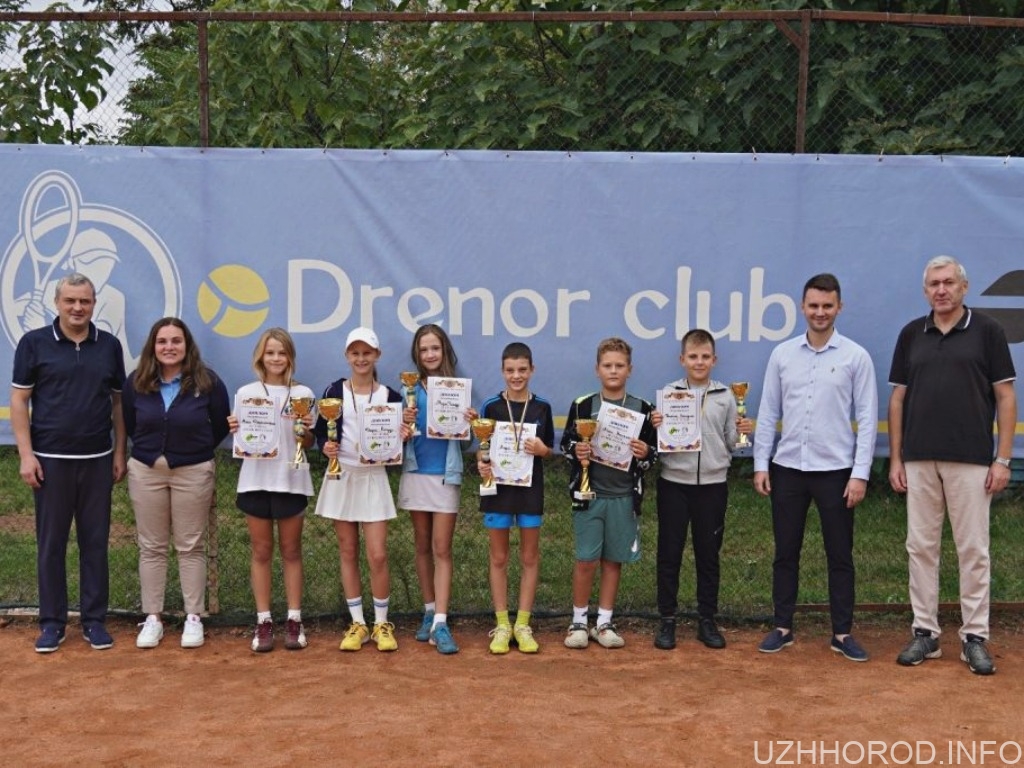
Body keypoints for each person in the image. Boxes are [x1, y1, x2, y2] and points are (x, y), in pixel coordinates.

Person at [888, 256, 1017, 676]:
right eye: (933, 284)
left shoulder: (988, 332)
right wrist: (895, 457)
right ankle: (925, 633)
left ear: (964, 287)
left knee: (973, 550)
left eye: (948, 283)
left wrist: (1002, 458)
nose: (940, 290)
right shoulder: (912, 334)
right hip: (920, 458)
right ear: (925, 291)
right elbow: (897, 400)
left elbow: (1005, 396)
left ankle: (974, 637)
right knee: (920, 547)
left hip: (972, 459)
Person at [752, 273, 877, 662]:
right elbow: (768, 410)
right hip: (788, 467)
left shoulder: (856, 357)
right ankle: (783, 627)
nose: (820, 312)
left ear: (839, 307)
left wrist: (859, 474)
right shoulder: (782, 355)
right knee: (785, 552)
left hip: (836, 472)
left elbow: (868, 419)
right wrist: (761, 463)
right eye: (813, 305)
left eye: (827, 306)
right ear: (802, 307)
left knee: (840, 555)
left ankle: (842, 633)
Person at [12, 272, 127, 653]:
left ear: (94, 304)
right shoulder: (33, 344)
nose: (78, 308)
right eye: (70, 301)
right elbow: (19, 401)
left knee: (95, 543)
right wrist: (27, 455)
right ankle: (52, 623)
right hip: (51, 461)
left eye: (85, 301)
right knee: (51, 545)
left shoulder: (109, 346)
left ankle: (94, 621)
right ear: (57, 303)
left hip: (97, 461)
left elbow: (117, 403)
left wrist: (119, 451)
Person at [122, 317, 230, 650]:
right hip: (147, 470)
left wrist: (194, 451)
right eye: (162, 341)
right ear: (153, 346)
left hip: (193, 471)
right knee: (151, 546)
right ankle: (152, 618)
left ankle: (193, 618)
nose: (169, 347)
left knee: (190, 545)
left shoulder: (208, 381)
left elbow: (220, 425)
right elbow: (130, 422)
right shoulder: (136, 382)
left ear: (187, 346)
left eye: (176, 341)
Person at [650, 329, 752, 651]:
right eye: (693, 356)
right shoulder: (668, 395)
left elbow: (732, 444)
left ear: (714, 360)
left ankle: (706, 619)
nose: (699, 362)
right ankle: (667, 620)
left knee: (708, 556)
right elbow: (658, 446)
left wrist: (743, 431)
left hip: (712, 485)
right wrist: (656, 427)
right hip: (673, 484)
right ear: (682, 360)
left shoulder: (725, 396)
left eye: (705, 356)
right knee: (670, 554)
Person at [314, 327, 408, 653]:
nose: (361, 358)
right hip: (341, 475)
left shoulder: (392, 397)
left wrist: (403, 435)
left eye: (367, 352)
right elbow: (319, 434)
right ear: (347, 356)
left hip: (374, 478)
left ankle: (382, 623)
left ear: (377, 355)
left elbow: (397, 440)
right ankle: (358, 623)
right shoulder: (333, 390)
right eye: (355, 353)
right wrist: (325, 447)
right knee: (348, 551)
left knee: (378, 554)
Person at [561, 337, 657, 649]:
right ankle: (578, 621)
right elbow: (566, 445)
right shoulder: (583, 405)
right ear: (597, 369)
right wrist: (578, 449)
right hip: (589, 494)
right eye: (607, 366)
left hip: (623, 496)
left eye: (619, 365)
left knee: (613, 560)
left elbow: (653, 455)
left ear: (630, 369)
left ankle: (603, 622)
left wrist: (644, 453)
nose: (613, 371)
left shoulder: (643, 409)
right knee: (586, 559)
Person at [228, 328, 316, 653]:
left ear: (290, 357)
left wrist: (305, 429)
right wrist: (236, 428)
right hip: (255, 480)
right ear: (260, 357)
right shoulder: (246, 393)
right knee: (261, 552)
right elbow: (239, 437)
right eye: (270, 353)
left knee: (291, 551)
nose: (276, 358)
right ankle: (263, 620)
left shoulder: (304, 393)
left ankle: (294, 619)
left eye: (282, 353)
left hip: (291, 480)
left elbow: (310, 442)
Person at [397, 324, 471, 655]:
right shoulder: (406, 389)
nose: (430, 354)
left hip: (445, 474)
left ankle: (441, 620)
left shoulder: (457, 389)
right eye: (424, 349)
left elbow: (467, 442)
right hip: (416, 472)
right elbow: (393, 437)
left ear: (445, 351)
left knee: (442, 548)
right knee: (422, 545)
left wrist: (468, 423)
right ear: (417, 353)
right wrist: (402, 423)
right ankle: (428, 610)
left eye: (435, 348)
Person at [478, 343, 555, 654]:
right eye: (510, 370)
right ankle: (502, 623)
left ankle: (522, 623)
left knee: (529, 557)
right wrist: (481, 464)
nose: (516, 375)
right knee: (498, 557)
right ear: (502, 371)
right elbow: (482, 452)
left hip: (529, 490)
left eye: (522, 370)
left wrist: (543, 451)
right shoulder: (491, 407)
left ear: (532, 370)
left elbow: (549, 450)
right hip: (497, 489)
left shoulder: (543, 408)